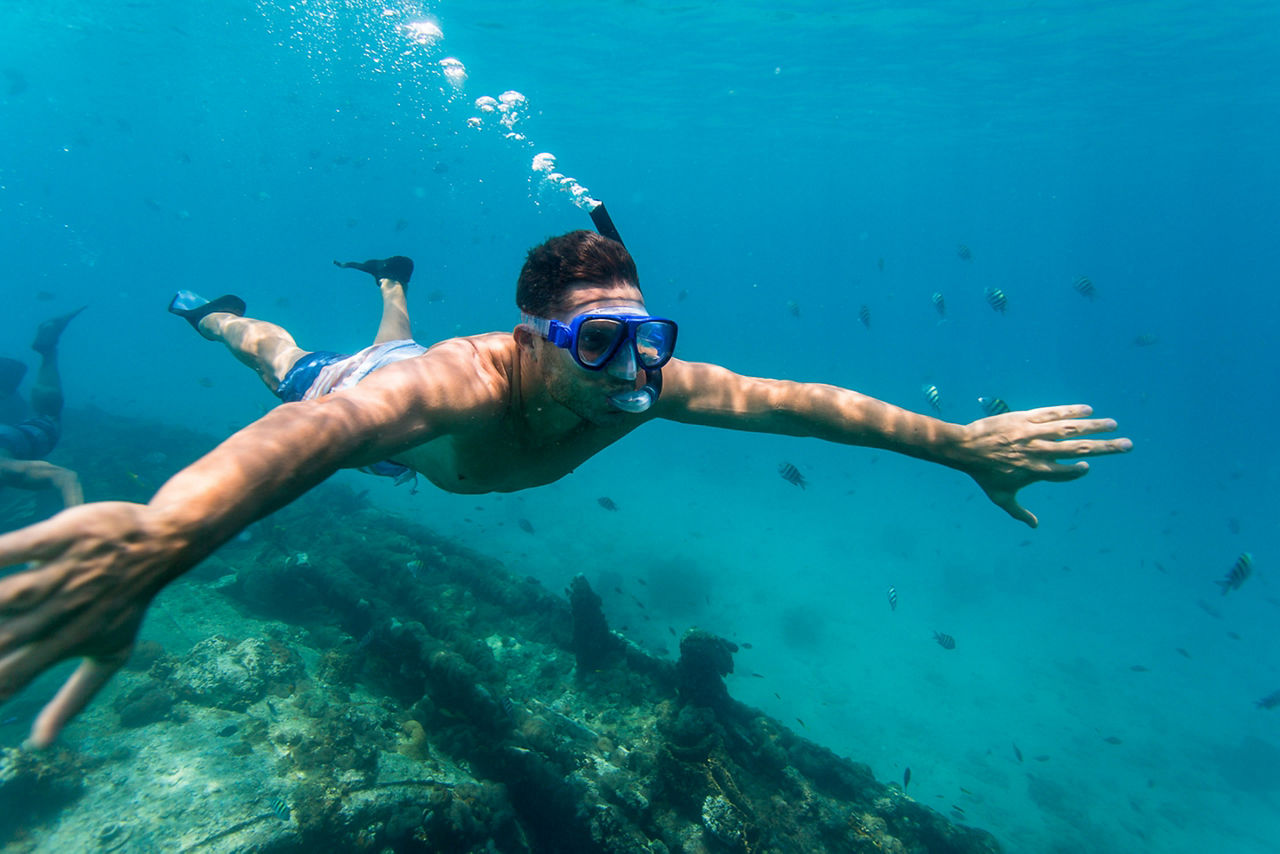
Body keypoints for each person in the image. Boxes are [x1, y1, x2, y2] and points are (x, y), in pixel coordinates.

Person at [0, 231, 1131, 748]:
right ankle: (212, 308)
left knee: (385, 332)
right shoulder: (448, 389)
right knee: (280, 357)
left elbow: (804, 404)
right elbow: (305, 438)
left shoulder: (635, 378)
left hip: (424, 424)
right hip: (372, 395)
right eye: (598, 345)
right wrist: (163, 533)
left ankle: (392, 277)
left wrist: (960, 443)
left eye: (645, 341)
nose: (632, 372)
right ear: (527, 342)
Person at [0, 309, 85, 512]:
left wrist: (75, 524)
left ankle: (48, 349)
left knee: (47, 418)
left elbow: (63, 477)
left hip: (21, 437)